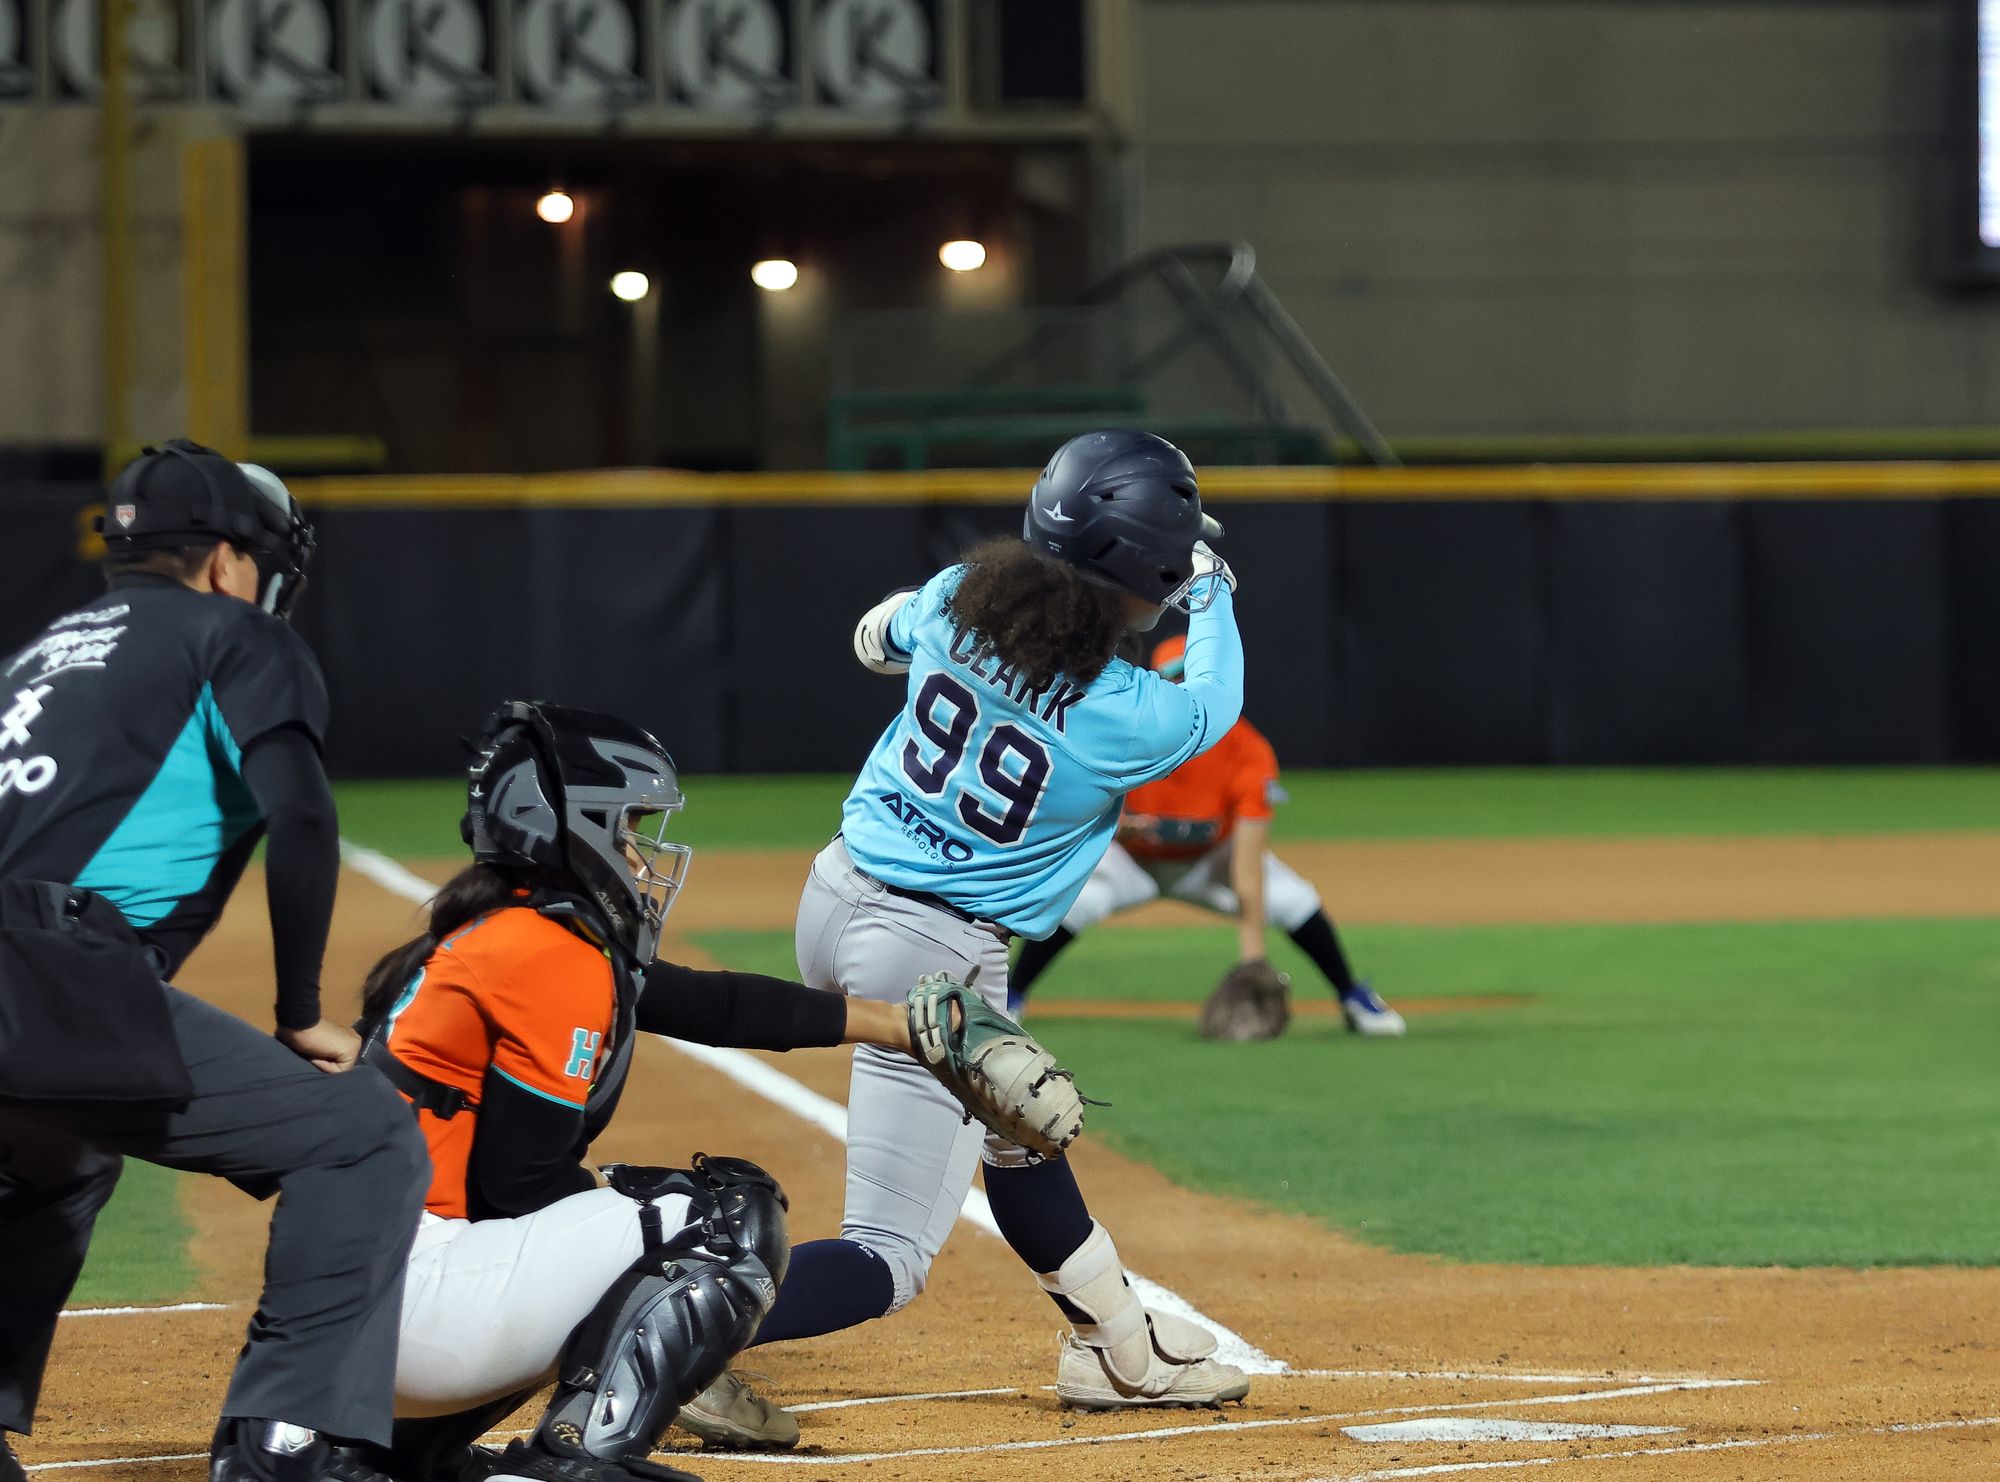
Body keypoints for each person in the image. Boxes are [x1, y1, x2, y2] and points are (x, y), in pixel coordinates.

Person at [751, 430, 1251, 1414]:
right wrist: (1212, 585)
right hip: (932, 955)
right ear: (1143, 575)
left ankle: (1116, 1347)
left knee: (1020, 1122)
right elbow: (1213, 704)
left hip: (833, 895)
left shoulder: (951, 601)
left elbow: (873, 638)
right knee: (885, 1256)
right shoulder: (1124, 713)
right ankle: (654, 1324)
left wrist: (942, 644)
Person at [347, 700, 961, 1482]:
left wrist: (898, 1023)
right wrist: (660, 1319)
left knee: (618, 1225)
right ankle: (570, 1461)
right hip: (420, 1311)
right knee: (720, 1217)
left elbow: (712, 1002)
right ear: (575, 828)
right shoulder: (546, 952)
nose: (643, 856)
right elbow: (519, 1188)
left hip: (355, 1320)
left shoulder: (501, 930)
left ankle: (405, 1459)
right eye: (629, 829)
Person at [0, 441, 431, 1482]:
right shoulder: (234, 633)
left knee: (59, 1159)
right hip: (47, 965)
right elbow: (300, 812)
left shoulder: (45, 651)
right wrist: (299, 1010)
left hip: (33, 974)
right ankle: (287, 1443)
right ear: (230, 562)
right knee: (366, 1136)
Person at [1008, 633, 1406, 1036]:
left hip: (1210, 862)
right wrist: (1123, 830)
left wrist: (1253, 958)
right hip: (1133, 859)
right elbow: (1083, 807)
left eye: (1193, 679)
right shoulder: (1130, 732)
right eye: (1174, 679)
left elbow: (1247, 863)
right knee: (1074, 900)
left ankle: (1352, 997)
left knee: (1294, 900)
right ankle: (1011, 995)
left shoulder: (1247, 750)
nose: (1184, 690)